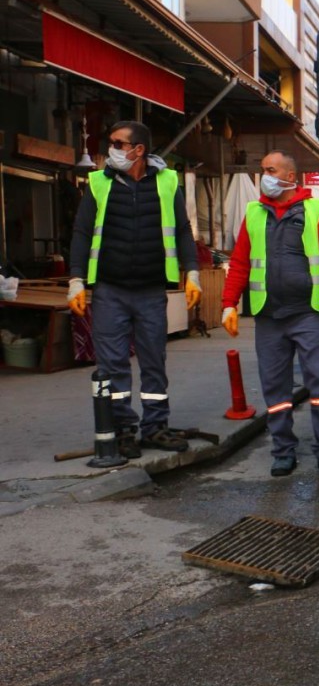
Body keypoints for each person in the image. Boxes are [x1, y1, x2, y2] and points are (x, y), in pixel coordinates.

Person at [67, 120, 200, 457]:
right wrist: (76, 280)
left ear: (138, 150)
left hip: (151, 290)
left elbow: (183, 231)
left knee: (154, 359)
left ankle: (155, 427)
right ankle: (123, 429)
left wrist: (193, 272)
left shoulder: (169, 183)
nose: (110, 149)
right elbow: (82, 233)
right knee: (113, 365)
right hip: (110, 290)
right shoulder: (98, 183)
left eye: (117, 143)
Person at [220, 151, 319, 479]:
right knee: (275, 389)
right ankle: (283, 450)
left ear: (290, 177)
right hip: (269, 317)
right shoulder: (253, 213)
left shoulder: (314, 211)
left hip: (309, 314)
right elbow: (240, 263)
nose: (264, 175)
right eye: (262, 170)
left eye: (270, 170)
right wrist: (228, 303)